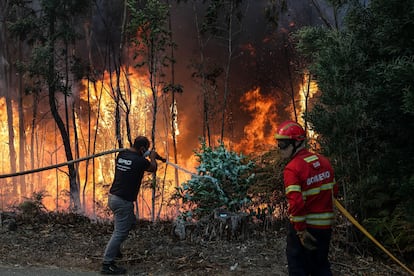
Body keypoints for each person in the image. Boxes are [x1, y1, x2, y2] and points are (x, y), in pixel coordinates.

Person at [275, 120, 338, 276]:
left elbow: (296, 204)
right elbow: (334, 191)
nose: (279, 149)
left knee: (298, 268)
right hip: (324, 229)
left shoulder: (292, 168)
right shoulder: (324, 162)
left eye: (283, 144)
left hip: (305, 229)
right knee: (320, 266)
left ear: (297, 143)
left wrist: (300, 231)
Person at [101, 136, 162, 275]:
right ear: (142, 149)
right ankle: (107, 264)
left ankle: (115, 251)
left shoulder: (122, 154)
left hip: (113, 197)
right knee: (120, 232)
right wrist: (152, 157)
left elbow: (132, 156)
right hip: (123, 201)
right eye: (145, 150)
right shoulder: (140, 161)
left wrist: (146, 154)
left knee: (128, 223)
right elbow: (153, 168)